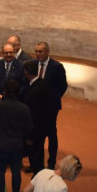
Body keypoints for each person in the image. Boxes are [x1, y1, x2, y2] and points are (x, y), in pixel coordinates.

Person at [0, 79, 32, 192]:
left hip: (2, 144)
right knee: (16, 172)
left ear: (5, 92)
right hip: (17, 145)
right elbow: (29, 128)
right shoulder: (24, 108)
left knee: (0, 172)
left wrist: (2, 99)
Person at [34, 42, 68, 170]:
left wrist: (52, 99)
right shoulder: (33, 64)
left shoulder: (57, 66)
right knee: (38, 135)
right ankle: (37, 164)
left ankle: (51, 163)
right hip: (36, 107)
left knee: (51, 134)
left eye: (40, 51)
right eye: (36, 51)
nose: (38, 54)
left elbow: (63, 86)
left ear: (47, 52)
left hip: (50, 108)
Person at [22, 60, 51, 173]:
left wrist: (30, 136)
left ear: (26, 72)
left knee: (35, 157)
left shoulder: (34, 91)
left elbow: (34, 115)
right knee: (39, 153)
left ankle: (37, 176)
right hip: (42, 128)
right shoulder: (42, 83)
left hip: (36, 130)